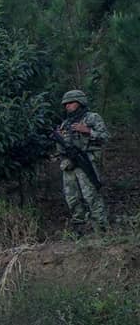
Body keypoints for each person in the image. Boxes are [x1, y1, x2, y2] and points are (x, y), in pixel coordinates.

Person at [55, 90, 109, 231]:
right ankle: (79, 229)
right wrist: (59, 139)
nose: (67, 106)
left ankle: (101, 228)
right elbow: (61, 149)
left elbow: (105, 137)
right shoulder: (65, 123)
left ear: (80, 102)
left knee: (91, 195)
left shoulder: (92, 118)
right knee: (72, 198)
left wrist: (88, 131)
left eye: (71, 103)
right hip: (69, 165)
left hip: (87, 162)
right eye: (65, 103)